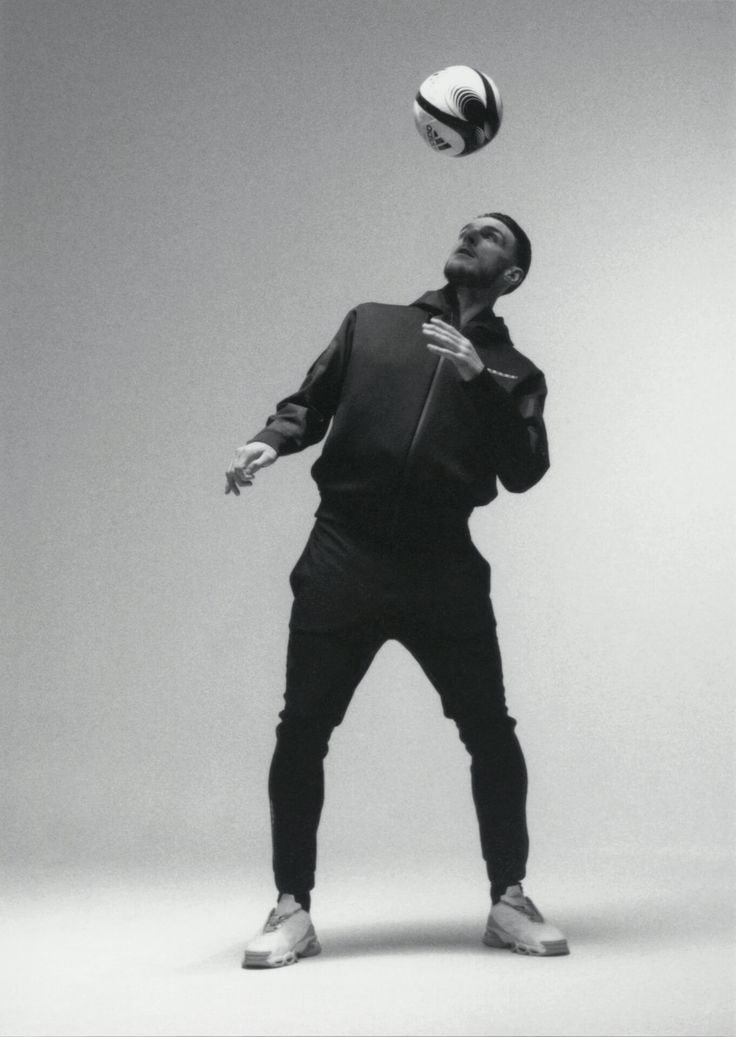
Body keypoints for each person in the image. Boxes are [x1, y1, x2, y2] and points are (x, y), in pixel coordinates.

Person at [226, 213, 569, 968]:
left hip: (440, 561)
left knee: (489, 728)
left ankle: (508, 898)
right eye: (469, 225)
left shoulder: (515, 370)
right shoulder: (374, 324)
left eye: (492, 236)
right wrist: (270, 440)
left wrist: (481, 382)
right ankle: (291, 907)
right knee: (302, 727)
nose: (471, 233)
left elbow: (525, 471)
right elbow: (309, 402)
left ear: (512, 276)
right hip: (344, 549)